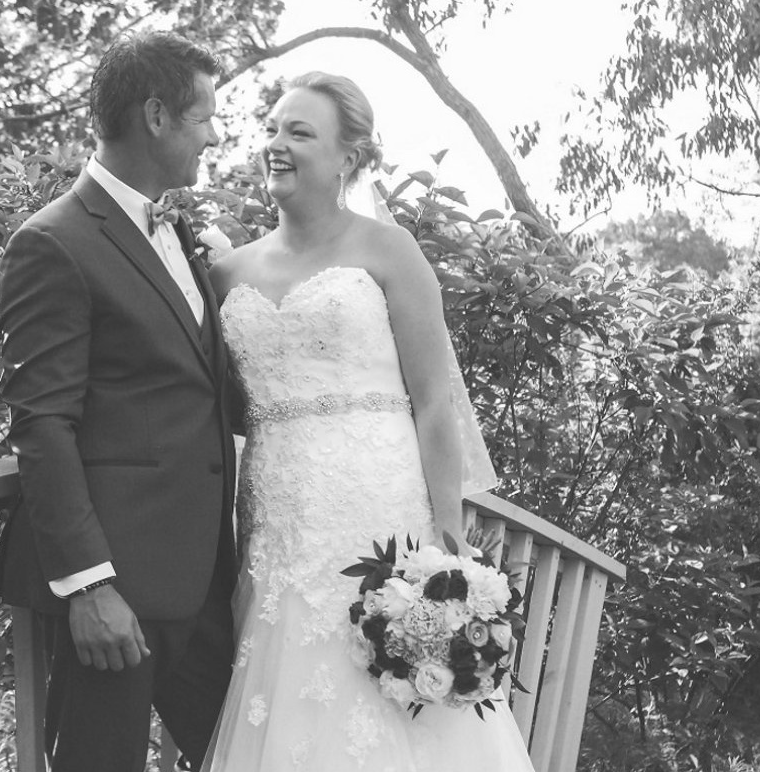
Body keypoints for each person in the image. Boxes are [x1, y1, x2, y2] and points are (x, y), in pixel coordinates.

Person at [202, 72, 535, 771]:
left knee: (395, 702)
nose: (276, 145)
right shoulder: (226, 274)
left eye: (299, 132)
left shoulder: (390, 252)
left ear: (349, 157)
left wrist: (450, 554)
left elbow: (436, 404)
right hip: (279, 528)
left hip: (384, 519)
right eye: (272, 129)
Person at [0, 31, 237, 772]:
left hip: (202, 585)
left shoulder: (184, 233)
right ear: (157, 116)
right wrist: (90, 587)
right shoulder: (55, 241)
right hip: (117, 601)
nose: (213, 136)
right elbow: (42, 422)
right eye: (205, 118)